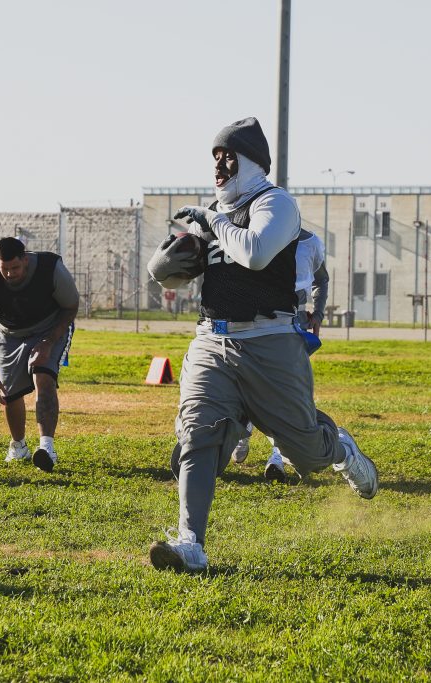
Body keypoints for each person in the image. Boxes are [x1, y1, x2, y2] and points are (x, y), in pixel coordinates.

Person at [146, 116, 378, 572]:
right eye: (214, 157)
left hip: (270, 341)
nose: (219, 165)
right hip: (212, 340)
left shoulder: (276, 203)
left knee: (306, 453)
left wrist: (212, 220)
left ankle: (340, 447)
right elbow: (164, 274)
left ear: (250, 160)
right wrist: (169, 254)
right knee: (197, 433)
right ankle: (191, 542)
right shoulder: (214, 212)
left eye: (227, 156)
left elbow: (254, 252)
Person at [230, 227, 330, 482]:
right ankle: (243, 430)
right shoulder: (258, 239)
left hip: (292, 325)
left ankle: (277, 458)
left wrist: (317, 313)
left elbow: (321, 278)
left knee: (287, 395)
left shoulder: (310, 243)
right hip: (255, 323)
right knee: (247, 383)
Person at [0, 236, 79, 472]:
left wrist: (48, 342)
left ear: (25, 260)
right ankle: (19, 445)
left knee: (43, 376)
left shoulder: (51, 270)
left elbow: (71, 306)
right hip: (9, 333)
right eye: (5, 269)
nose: (10, 274)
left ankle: (46, 448)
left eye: (15, 268)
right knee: (10, 394)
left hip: (49, 328)